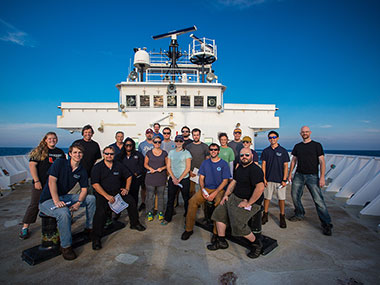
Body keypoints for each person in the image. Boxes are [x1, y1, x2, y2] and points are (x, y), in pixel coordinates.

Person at [39, 144, 96, 260]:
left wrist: (79, 202)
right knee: (64, 212)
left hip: (64, 197)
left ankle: (89, 229)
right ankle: (66, 246)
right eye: (75, 152)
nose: (77, 155)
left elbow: (84, 189)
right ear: (70, 154)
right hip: (47, 200)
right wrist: (56, 201)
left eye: (80, 153)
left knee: (91, 199)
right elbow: (51, 182)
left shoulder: (81, 170)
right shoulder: (60, 163)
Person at [208, 147, 265, 259]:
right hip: (235, 197)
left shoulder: (255, 169)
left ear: (252, 156)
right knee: (219, 213)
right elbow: (234, 182)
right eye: (242, 155)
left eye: (247, 155)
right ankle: (221, 241)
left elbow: (260, 188)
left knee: (238, 222)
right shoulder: (239, 168)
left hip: (251, 201)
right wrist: (226, 195)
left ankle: (256, 244)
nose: (244, 157)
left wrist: (249, 203)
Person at [91, 146, 145, 250]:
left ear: (114, 155)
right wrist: (107, 196)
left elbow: (129, 176)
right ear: (103, 154)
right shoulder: (97, 167)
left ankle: (135, 223)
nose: (109, 156)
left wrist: (127, 189)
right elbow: (95, 184)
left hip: (117, 192)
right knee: (100, 213)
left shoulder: (118, 165)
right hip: (103, 194)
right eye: (107, 153)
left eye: (111, 154)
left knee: (131, 202)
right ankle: (96, 238)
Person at [20, 132, 66, 239]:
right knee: (34, 204)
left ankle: (57, 224)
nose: (52, 140)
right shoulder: (39, 151)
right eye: (49, 139)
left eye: (54, 138)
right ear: (45, 140)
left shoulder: (60, 153)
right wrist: (36, 181)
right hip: (41, 183)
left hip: (54, 184)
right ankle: (25, 227)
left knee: (56, 204)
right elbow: (32, 166)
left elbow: (63, 168)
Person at [288, 126, 333, 236]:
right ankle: (299, 213)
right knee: (294, 196)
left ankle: (326, 223)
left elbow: (322, 162)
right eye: (303, 132)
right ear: (300, 133)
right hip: (299, 175)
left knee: (318, 200)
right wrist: (290, 174)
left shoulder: (317, 145)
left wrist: (322, 177)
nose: (305, 133)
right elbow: (294, 161)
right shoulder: (297, 146)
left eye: (306, 132)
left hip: (312, 176)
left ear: (310, 133)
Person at [181, 143, 231, 240]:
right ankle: (188, 229)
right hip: (206, 188)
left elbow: (225, 181)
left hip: (219, 190)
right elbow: (201, 178)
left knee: (218, 205)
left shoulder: (223, 164)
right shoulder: (205, 163)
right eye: (211, 149)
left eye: (215, 149)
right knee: (192, 202)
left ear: (218, 151)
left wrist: (215, 193)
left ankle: (216, 233)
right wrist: (203, 190)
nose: (213, 151)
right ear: (209, 151)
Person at [261, 131, 290, 228]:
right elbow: (263, 165)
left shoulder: (283, 151)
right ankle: (265, 214)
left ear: (277, 138)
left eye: (274, 137)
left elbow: (286, 166)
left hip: (280, 180)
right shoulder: (266, 151)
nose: (272, 139)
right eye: (270, 137)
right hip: (268, 179)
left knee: (281, 199)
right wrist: (264, 178)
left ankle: (282, 216)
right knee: (267, 198)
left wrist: (284, 179)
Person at [162, 135, 192, 225]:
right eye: (177, 141)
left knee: (186, 199)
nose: (178, 143)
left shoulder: (187, 153)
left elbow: (188, 168)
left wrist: (179, 179)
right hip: (173, 179)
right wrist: (174, 178)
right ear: (175, 142)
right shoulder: (171, 152)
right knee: (170, 199)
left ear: (183, 142)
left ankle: (188, 218)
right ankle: (167, 218)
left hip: (184, 179)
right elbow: (168, 166)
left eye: (180, 141)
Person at [115, 137, 145, 206]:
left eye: (130, 145)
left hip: (135, 179)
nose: (128, 147)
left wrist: (137, 173)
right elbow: (116, 166)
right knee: (122, 196)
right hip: (123, 180)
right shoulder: (120, 156)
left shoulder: (138, 155)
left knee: (134, 196)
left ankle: (134, 212)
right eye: (126, 145)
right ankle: (118, 212)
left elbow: (142, 165)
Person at [72, 124, 101, 194]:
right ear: (83, 133)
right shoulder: (77, 143)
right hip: (76, 174)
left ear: (92, 134)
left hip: (89, 176)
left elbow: (96, 159)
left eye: (89, 132)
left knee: (89, 195)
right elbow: (71, 158)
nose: (88, 134)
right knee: (74, 195)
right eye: (86, 132)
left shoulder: (95, 145)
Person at [144, 136, 168, 221]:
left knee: (161, 196)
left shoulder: (165, 153)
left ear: (161, 143)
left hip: (161, 178)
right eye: (155, 142)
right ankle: (149, 212)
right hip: (150, 178)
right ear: (153, 143)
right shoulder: (149, 153)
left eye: (159, 142)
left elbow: (167, 165)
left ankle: (160, 212)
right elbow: (145, 164)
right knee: (150, 196)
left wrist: (162, 168)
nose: (157, 143)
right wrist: (150, 168)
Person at [186, 128, 209, 197]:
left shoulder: (205, 146)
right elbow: (186, 160)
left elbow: (207, 159)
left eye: (197, 135)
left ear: (200, 135)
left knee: (202, 190)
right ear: (192, 136)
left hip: (202, 172)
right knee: (191, 191)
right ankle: (193, 206)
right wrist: (189, 171)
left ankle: (202, 207)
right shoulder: (188, 147)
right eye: (194, 135)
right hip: (192, 172)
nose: (196, 137)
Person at [137, 128, 155, 211]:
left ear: (153, 134)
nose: (149, 135)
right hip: (144, 169)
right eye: (148, 133)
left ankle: (153, 203)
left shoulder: (156, 143)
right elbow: (139, 156)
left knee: (154, 187)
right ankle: (143, 202)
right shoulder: (141, 144)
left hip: (154, 168)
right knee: (143, 187)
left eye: (150, 133)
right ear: (145, 134)